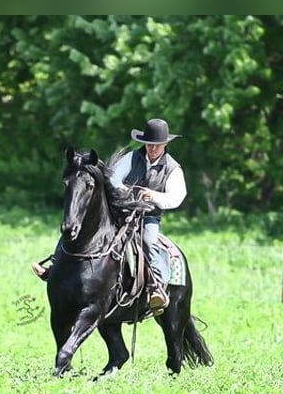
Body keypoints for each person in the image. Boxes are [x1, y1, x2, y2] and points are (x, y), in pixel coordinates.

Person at [32, 118, 187, 314]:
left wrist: (154, 196)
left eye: (157, 145)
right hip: (120, 212)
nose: (152, 149)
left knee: (148, 241)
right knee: (76, 229)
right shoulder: (132, 158)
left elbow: (176, 197)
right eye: (149, 144)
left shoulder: (173, 169)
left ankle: (156, 285)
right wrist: (124, 190)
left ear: (165, 144)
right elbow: (112, 178)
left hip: (147, 217)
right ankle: (56, 266)